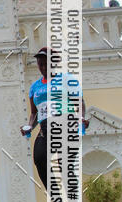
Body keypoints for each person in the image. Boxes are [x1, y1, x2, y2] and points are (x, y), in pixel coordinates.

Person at [21, 46, 89, 190]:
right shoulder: (35, 87)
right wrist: (28, 127)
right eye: (41, 64)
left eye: (47, 63)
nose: (44, 67)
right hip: (45, 127)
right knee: (39, 158)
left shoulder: (67, 79)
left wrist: (81, 118)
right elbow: (34, 113)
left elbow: (80, 103)